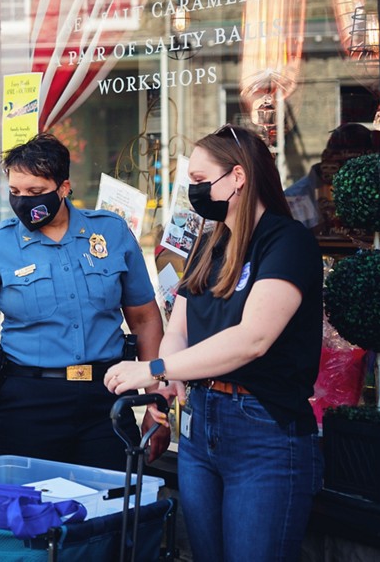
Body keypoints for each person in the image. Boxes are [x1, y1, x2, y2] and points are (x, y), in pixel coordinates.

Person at [106, 124, 323, 562]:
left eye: (203, 181)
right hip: (200, 424)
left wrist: (154, 370)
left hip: (264, 430)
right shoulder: (210, 243)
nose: (194, 190)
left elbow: (253, 339)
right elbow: (179, 330)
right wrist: (162, 394)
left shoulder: (287, 242)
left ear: (238, 177)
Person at [0, 132, 165, 469]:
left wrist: (155, 402)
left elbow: (145, 318)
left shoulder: (110, 232)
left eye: (35, 192)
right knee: (32, 513)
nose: (24, 202)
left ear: (64, 188)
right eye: (15, 192)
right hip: (29, 403)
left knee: (112, 510)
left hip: (104, 398)